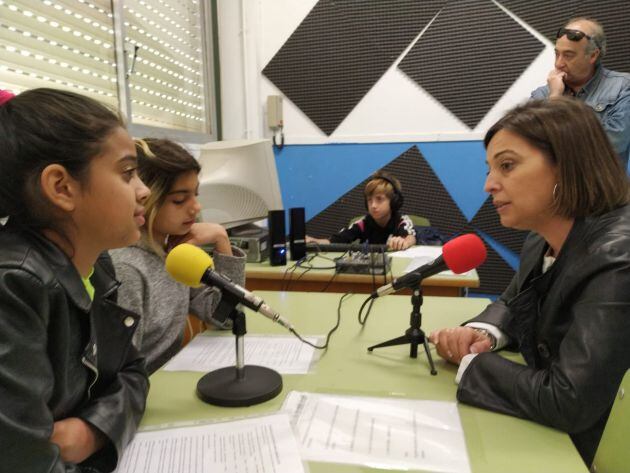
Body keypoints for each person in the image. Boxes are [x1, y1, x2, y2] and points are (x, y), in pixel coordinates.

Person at [429, 98, 630, 467]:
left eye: (507, 165)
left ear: (568, 163)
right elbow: (515, 300)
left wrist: (473, 365)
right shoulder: (541, 238)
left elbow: (569, 401)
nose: (489, 185)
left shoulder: (619, 256)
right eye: (489, 169)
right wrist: (485, 333)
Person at [0, 88, 151, 472]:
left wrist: (92, 430)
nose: (144, 190)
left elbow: (133, 374)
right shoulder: (13, 285)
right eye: (128, 173)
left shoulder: (98, 268)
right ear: (62, 188)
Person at [110, 139, 246, 374]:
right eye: (179, 200)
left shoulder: (174, 253)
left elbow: (223, 317)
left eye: (195, 194)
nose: (196, 207)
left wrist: (222, 240)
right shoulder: (127, 269)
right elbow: (121, 373)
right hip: (144, 395)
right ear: (145, 199)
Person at [531, 17, 630, 168]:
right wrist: (555, 98)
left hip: (605, 190)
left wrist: (557, 137)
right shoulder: (542, 95)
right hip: (557, 190)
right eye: (557, 54)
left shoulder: (623, 87)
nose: (559, 63)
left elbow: (613, 143)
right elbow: (534, 148)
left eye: (568, 55)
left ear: (593, 55)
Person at [306, 171, 417, 251]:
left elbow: (411, 237)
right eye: (369, 200)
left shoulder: (401, 221)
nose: (373, 205)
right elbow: (335, 240)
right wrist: (315, 241)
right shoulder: (362, 223)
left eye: (379, 199)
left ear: (393, 201)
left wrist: (405, 242)